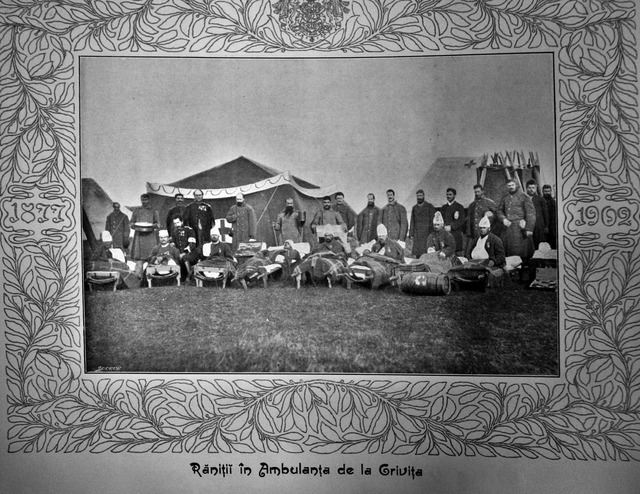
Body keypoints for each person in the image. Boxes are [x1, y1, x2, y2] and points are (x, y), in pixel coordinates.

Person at [496, 178, 536, 259]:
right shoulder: (505, 198)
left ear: (517, 185)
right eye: (509, 185)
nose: (511, 187)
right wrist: (503, 219)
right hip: (507, 228)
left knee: (520, 253)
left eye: (512, 185)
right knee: (507, 252)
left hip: (519, 228)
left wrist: (529, 229)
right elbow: (499, 210)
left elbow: (531, 214)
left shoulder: (524, 197)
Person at [130, 193, 160, 278]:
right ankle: (138, 277)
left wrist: (152, 225)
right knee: (139, 259)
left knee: (151, 257)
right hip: (139, 237)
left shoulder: (154, 210)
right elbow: (131, 222)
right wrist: (134, 225)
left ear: (149, 200)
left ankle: (150, 277)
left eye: (146, 200)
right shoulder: (136, 210)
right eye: (143, 200)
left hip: (150, 237)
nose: (144, 202)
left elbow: (158, 224)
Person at [408, 189, 435, 257]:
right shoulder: (414, 208)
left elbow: (432, 221)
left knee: (426, 253)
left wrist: (431, 233)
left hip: (426, 234)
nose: (419, 197)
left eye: (420, 195)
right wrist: (411, 234)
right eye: (417, 196)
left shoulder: (429, 206)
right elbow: (412, 221)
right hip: (417, 234)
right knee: (418, 254)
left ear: (423, 196)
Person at [440, 188, 466, 256]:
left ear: (454, 195)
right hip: (445, 233)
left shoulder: (459, 207)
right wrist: (444, 226)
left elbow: (461, 220)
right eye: (447, 194)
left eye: (450, 194)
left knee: (457, 254)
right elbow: (441, 219)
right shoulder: (443, 208)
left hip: (456, 234)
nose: (448, 196)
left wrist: (451, 226)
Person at [526, 179, 549, 250]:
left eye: (533, 188)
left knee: (537, 244)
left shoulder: (541, 200)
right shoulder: (523, 199)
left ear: (536, 188)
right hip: (527, 226)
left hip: (538, 226)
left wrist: (546, 226)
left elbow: (545, 214)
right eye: (529, 188)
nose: (531, 189)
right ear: (526, 188)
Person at [171, 217, 196, 282]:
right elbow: (173, 243)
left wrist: (185, 252)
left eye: (178, 222)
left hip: (190, 252)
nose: (177, 225)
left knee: (184, 258)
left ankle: (189, 275)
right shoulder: (174, 231)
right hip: (178, 252)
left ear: (182, 222)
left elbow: (192, 244)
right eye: (175, 223)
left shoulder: (189, 230)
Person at [542, 184, 557, 249]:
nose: (547, 193)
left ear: (550, 191)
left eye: (548, 191)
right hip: (544, 224)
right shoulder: (541, 201)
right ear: (543, 192)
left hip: (553, 225)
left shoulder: (553, 202)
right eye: (545, 191)